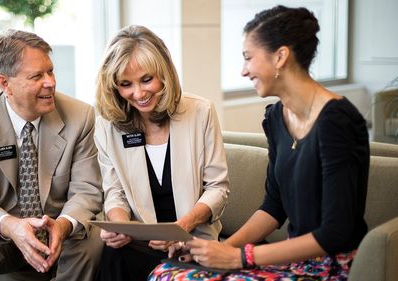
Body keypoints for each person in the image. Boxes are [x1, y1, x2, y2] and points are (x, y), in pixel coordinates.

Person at [149, 5, 370, 280]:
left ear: (280, 56)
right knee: (167, 272)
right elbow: (274, 207)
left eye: (248, 58)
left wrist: (240, 257)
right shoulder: (276, 118)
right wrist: (218, 250)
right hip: (292, 262)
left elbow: (336, 233)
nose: (244, 71)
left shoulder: (338, 121)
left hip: (332, 268)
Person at [0, 29, 104, 281]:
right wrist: (12, 226)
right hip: (3, 238)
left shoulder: (80, 116)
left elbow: (87, 190)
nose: (50, 82)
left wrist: (62, 226)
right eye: (36, 76)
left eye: (50, 71)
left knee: (93, 237)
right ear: (4, 83)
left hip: (58, 234)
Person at [93, 25, 230, 280]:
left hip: (191, 241)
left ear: (164, 73)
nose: (139, 93)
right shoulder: (107, 125)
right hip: (139, 244)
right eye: (126, 84)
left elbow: (217, 188)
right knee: (113, 257)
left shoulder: (201, 112)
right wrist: (120, 225)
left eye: (147, 79)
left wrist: (181, 228)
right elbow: (115, 192)